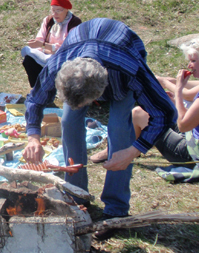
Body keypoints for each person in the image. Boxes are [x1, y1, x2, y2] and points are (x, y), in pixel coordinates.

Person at [22, 18, 176, 240]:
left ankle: (116, 210)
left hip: (120, 57)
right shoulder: (59, 64)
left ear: (99, 94)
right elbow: (35, 100)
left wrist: (133, 151)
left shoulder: (130, 70)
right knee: (68, 121)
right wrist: (33, 138)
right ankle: (76, 196)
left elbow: (165, 112)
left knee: (119, 129)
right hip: (82, 51)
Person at [91, 41, 199, 165]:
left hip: (190, 154)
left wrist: (178, 92)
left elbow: (183, 125)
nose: (189, 65)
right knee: (147, 112)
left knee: (139, 114)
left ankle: (117, 150)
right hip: (191, 139)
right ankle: (129, 147)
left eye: (193, 61)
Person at [21, 0, 81, 88]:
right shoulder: (48, 20)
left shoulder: (74, 23)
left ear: (66, 10)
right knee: (29, 60)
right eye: (53, 10)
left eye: (59, 10)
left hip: (64, 57)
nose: (55, 14)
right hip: (46, 55)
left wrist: (45, 46)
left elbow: (67, 47)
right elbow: (40, 40)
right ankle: (37, 89)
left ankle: (54, 89)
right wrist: (39, 46)